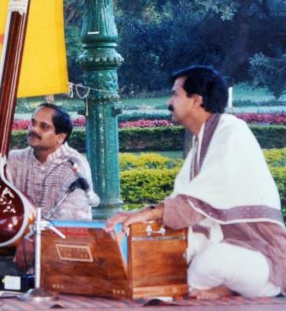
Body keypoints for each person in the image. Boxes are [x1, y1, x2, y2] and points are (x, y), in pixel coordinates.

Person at [106, 65, 286, 300]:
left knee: (207, 262)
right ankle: (217, 289)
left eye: (175, 94)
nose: (169, 102)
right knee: (165, 262)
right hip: (233, 256)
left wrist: (147, 213)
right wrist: (136, 216)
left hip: (266, 263)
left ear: (196, 100)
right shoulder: (204, 142)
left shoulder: (233, 131)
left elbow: (197, 201)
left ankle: (207, 290)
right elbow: (182, 206)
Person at [0, 103, 97, 275]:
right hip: (17, 250)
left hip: (58, 252)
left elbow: (72, 221)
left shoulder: (73, 165)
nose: (34, 129)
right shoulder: (16, 159)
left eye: (44, 126)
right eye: (33, 123)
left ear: (60, 137)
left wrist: (35, 240)